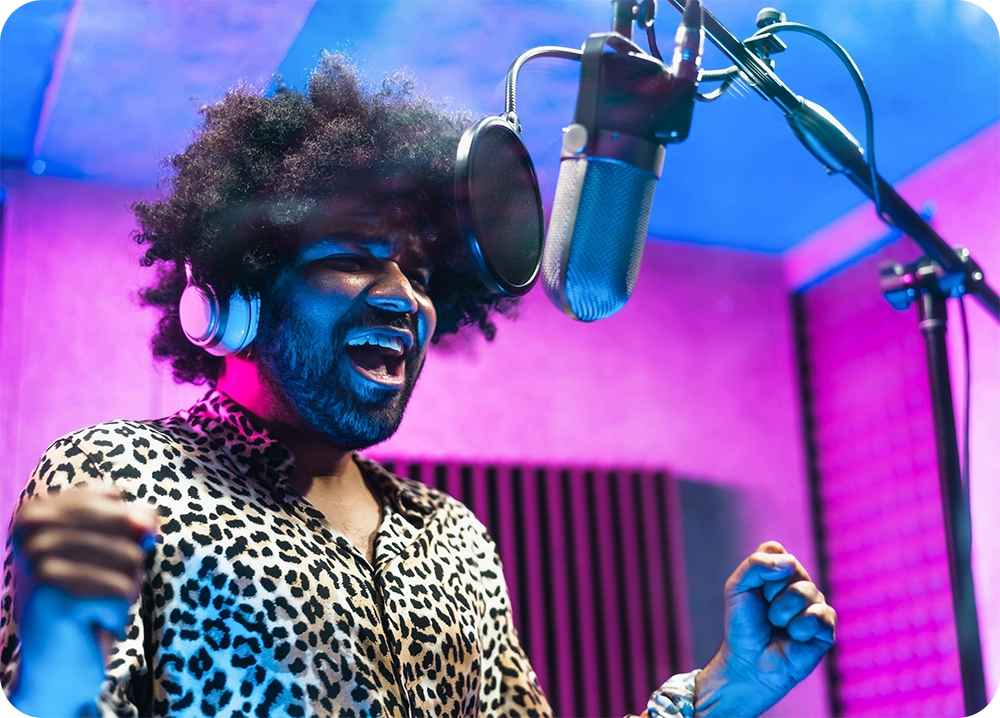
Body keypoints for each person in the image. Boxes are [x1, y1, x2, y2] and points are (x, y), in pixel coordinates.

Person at [0, 55, 835, 718]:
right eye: (353, 257)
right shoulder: (107, 480)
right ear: (238, 294)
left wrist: (718, 696)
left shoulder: (455, 541)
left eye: (423, 272)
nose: (404, 298)